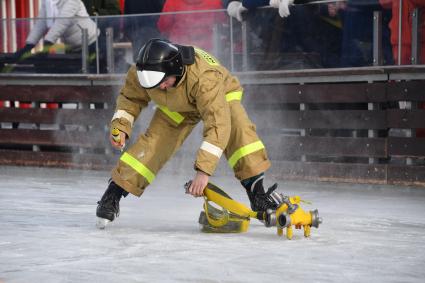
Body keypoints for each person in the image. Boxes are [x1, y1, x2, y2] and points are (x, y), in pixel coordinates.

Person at [96, 38, 279, 227]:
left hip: (219, 95)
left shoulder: (205, 78)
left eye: (165, 82)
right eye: (156, 85)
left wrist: (203, 172)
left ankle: (257, 194)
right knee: (153, 145)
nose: (161, 87)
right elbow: (130, 99)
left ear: (175, 70)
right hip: (178, 105)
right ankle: (113, 193)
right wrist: (121, 127)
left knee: (239, 131)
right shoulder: (144, 71)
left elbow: (217, 125)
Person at [14, 0, 98, 61]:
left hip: (91, 42)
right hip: (71, 45)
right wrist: (29, 45)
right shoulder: (48, 1)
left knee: (88, 77)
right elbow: (41, 22)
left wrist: (47, 44)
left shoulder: (72, 1)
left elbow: (62, 22)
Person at [157, 0, 226, 51]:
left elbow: (162, 26)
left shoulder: (172, 2)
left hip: (179, 49)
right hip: (206, 51)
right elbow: (223, 22)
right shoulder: (214, 2)